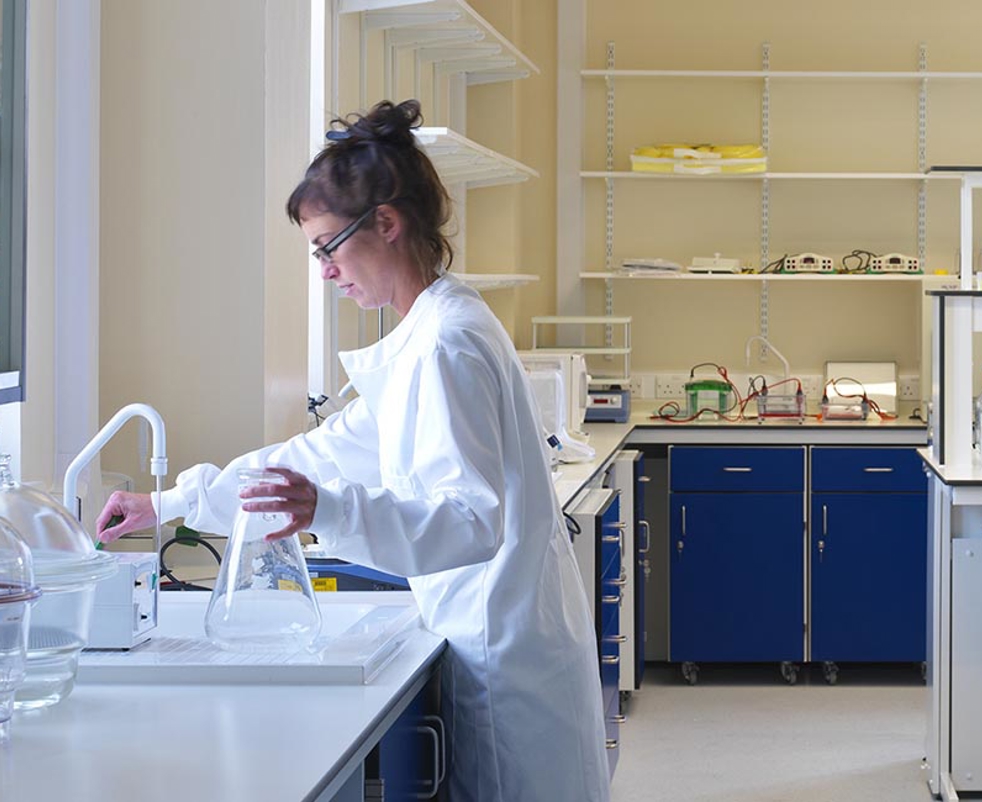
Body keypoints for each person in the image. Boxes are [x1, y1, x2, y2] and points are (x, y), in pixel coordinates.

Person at [97, 99, 611, 801]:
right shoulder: (432, 329)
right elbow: (320, 455)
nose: (324, 273)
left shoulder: (445, 344)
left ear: (387, 225)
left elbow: (469, 519)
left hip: (505, 656)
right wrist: (171, 501)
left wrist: (327, 510)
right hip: (491, 637)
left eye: (326, 248)